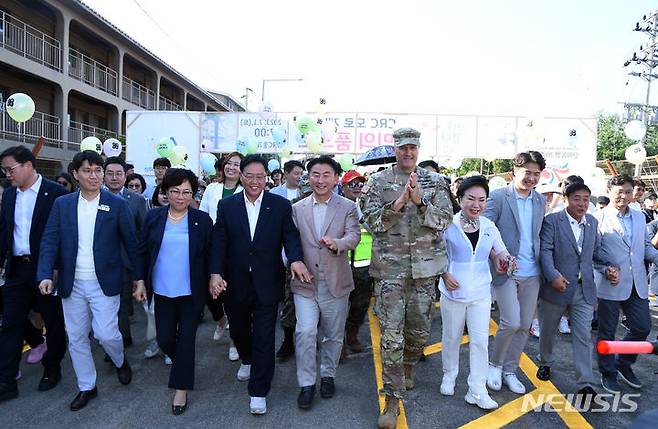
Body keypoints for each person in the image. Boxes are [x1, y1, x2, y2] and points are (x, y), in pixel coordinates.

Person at [360, 128, 453, 429]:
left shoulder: (435, 181)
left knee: (419, 332)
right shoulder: (377, 182)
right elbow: (372, 222)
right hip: (390, 271)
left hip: (425, 271)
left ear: (418, 149)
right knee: (391, 336)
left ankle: (409, 365)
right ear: (395, 149)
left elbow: (445, 220)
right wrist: (399, 203)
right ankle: (391, 401)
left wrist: (421, 201)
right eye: (403, 148)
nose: (408, 153)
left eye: (413, 148)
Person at [209, 154, 312, 415]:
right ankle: (246, 358)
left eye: (260, 176)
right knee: (241, 331)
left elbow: (290, 236)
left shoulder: (279, 205)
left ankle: (258, 391)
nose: (255, 181)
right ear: (241, 176)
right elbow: (219, 241)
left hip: (268, 281)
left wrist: (296, 260)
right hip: (236, 281)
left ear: (266, 178)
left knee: (265, 337)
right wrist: (215, 273)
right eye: (250, 176)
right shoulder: (228, 206)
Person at [37, 150, 138, 411]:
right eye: (87, 170)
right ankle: (87, 386)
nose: (94, 176)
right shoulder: (63, 204)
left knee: (107, 334)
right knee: (78, 337)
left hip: (104, 282)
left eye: (98, 170)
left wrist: (139, 278)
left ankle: (119, 361)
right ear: (75, 174)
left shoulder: (117, 204)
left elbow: (131, 243)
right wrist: (46, 274)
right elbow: (50, 239)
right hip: (72, 283)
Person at [133, 168, 213, 415]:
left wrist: (214, 278)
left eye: (187, 192)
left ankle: (181, 388)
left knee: (187, 339)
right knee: (166, 339)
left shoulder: (202, 220)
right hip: (163, 291)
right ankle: (183, 365)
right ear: (165, 192)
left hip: (191, 292)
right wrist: (139, 281)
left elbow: (211, 255)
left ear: (193, 193)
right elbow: (142, 251)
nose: (181, 197)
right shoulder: (154, 217)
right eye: (175, 191)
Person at [291, 156, 361, 410]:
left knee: (333, 335)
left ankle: (328, 375)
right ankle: (307, 383)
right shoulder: (296, 208)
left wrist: (338, 244)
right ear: (308, 177)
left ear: (335, 178)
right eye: (315, 175)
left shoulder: (347, 207)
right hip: (305, 284)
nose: (320, 180)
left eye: (326, 175)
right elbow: (288, 243)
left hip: (336, 282)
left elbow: (354, 236)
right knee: (306, 332)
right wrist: (292, 262)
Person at [0, 146, 68, 403]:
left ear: (28, 165)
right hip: (17, 268)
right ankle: (6, 380)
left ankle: (52, 368)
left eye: (11, 169)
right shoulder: (8, 196)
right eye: (5, 170)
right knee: (11, 323)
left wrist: (57, 268)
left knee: (52, 320)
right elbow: (5, 232)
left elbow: (64, 235)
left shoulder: (56, 193)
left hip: (46, 268)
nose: (7, 174)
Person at [440, 175, 512, 410]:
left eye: (481, 200)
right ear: (460, 199)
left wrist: (507, 260)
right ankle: (449, 374)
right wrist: (444, 274)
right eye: (470, 198)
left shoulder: (490, 226)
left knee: (480, 341)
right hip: (453, 292)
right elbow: (436, 254)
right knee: (451, 337)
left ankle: (477, 388)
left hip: (481, 293)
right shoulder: (448, 224)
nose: (476, 204)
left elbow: (500, 252)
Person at [484, 151, 546, 396]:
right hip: (506, 270)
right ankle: (495, 365)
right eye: (527, 172)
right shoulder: (498, 197)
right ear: (514, 172)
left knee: (524, 325)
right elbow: (485, 229)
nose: (531, 178)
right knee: (510, 322)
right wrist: (497, 256)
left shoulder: (540, 201)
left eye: (536, 174)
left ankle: (511, 369)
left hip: (533, 272)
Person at [593, 174, 658, 394]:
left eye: (628, 191)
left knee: (642, 327)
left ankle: (623, 363)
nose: (624, 196)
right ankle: (608, 372)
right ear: (609, 191)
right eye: (619, 191)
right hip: (610, 283)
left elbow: (645, 247)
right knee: (607, 332)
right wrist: (605, 269)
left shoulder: (639, 217)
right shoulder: (598, 218)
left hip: (637, 283)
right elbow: (592, 253)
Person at [536, 182, 600, 397]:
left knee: (583, 335)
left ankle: (586, 382)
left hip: (584, 290)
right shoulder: (552, 221)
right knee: (548, 330)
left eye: (586, 199)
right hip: (557, 287)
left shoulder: (592, 222)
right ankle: (545, 361)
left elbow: (595, 253)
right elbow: (545, 251)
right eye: (577, 198)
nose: (582, 204)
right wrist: (553, 276)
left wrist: (611, 266)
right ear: (565, 199)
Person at [199, 152, 243, 359]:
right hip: (211, 247)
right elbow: (202, 215)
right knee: (210, 293)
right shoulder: (212, 189)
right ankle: (220, 320)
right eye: (229, 163)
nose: (232, 167)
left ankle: (234, 341)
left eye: (237, 164)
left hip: (235, 250)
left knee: (233, 296)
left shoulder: (246, 191)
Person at [103, 157, 148, 348]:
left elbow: (143, 233)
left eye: (119, 173)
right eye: (110, 173)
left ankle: (119, 341)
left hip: (125, 262)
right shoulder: (93, 197)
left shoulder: (137, 200)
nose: (114, 178)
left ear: (125, 175)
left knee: (120, 303)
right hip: (99, 261)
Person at [340, 170, 373, 356]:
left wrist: (360, 214)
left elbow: (375, 229)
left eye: (360, 184)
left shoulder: (368, 207)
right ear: (344, 187)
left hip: (364, 269)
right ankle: (339, 344)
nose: (357, 188)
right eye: (353, 185)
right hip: (341, 267)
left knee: (360, 307)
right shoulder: (336, 206)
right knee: (339, 309)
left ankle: (352, 336)